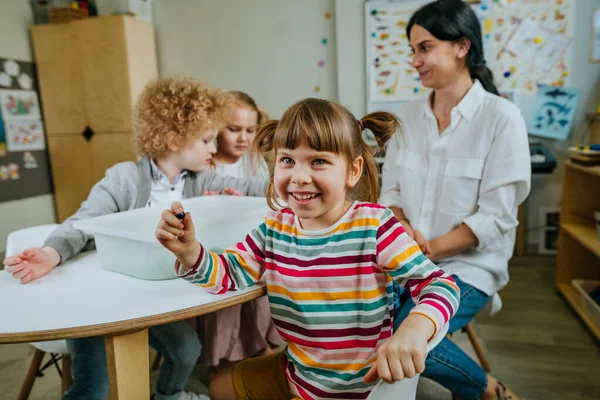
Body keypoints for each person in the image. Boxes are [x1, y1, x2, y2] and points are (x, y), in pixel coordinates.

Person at [156, 98, 460, 400]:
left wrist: (415, 329)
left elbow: (441, 286)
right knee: (219, 387)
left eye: (318, 161)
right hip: (297, 372)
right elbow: (227, 275)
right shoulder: (274, 228)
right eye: (288, 160)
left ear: (352, 171)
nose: (299, 176)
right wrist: (189, 251)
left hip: (357, 390)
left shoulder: (375, 225)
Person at [4, 77, 268, 400]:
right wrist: (50, 253)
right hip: (99, 300)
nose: (215, 149)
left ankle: (168, 394)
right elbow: (82, 221)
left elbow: (252, 189)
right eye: (206, 140)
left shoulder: (199, 180)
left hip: (147, 298)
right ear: (173, 140)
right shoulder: (124, 178)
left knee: (187, 350)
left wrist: (291, 182)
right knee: (95, 387)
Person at [379, 1, 531, 399]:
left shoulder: (501, 118)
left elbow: (496, 218)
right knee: (367, 322)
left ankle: (484, 389)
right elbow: (390, 190)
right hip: (407, 259)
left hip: (469, 265)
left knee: (404, 333)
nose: (416, 60)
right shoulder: (408, 117)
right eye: (413, 50)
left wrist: (427, 248)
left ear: (461, 46)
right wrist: (404, 233)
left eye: (424, 47)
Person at [202, 90, 282, 374]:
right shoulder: (205, 162)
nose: (243, 138)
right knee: (225, 293)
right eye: (233, 130)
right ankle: (225, 357)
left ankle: (258, 347)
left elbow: (266, 199)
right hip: (217, 248)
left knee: (258, 288)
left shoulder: (254, 160)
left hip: (250, 243)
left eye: (250, 130)